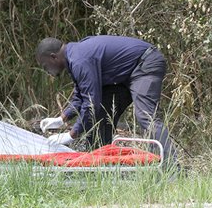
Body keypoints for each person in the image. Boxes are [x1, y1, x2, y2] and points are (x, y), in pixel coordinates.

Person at [36, 35, 178, 166]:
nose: (47, 71)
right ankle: (98, 167)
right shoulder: (74, 57)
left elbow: (91, 103)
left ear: (53, 57)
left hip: (145, 63)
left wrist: (71, 135)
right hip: (125, 75)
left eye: (45, 66)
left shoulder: (79, 60)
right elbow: (81, 95)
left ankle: (170, 168)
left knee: (146, 116)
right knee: (102, 113)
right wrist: (61, 119)